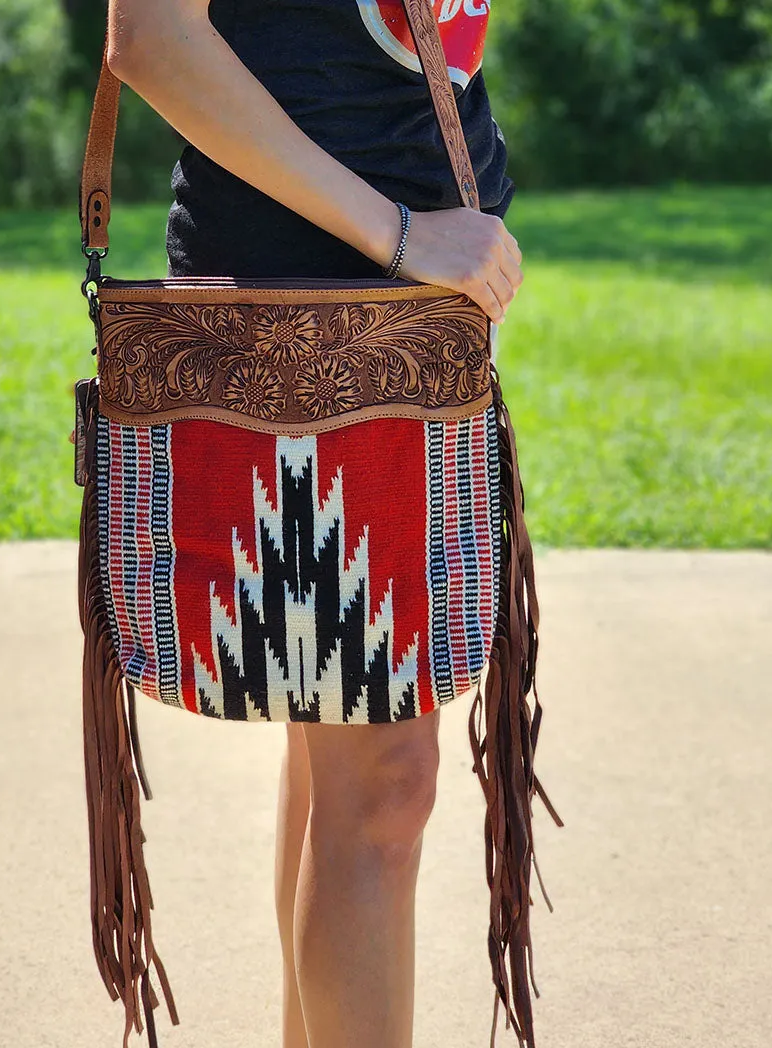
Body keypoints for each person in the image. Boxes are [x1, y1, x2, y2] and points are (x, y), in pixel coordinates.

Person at [104, 2, 525, 1047]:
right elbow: (150, 37)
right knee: (384, 782)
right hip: (311, 300)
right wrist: (398, 229)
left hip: (413, 304)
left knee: (343, 762)